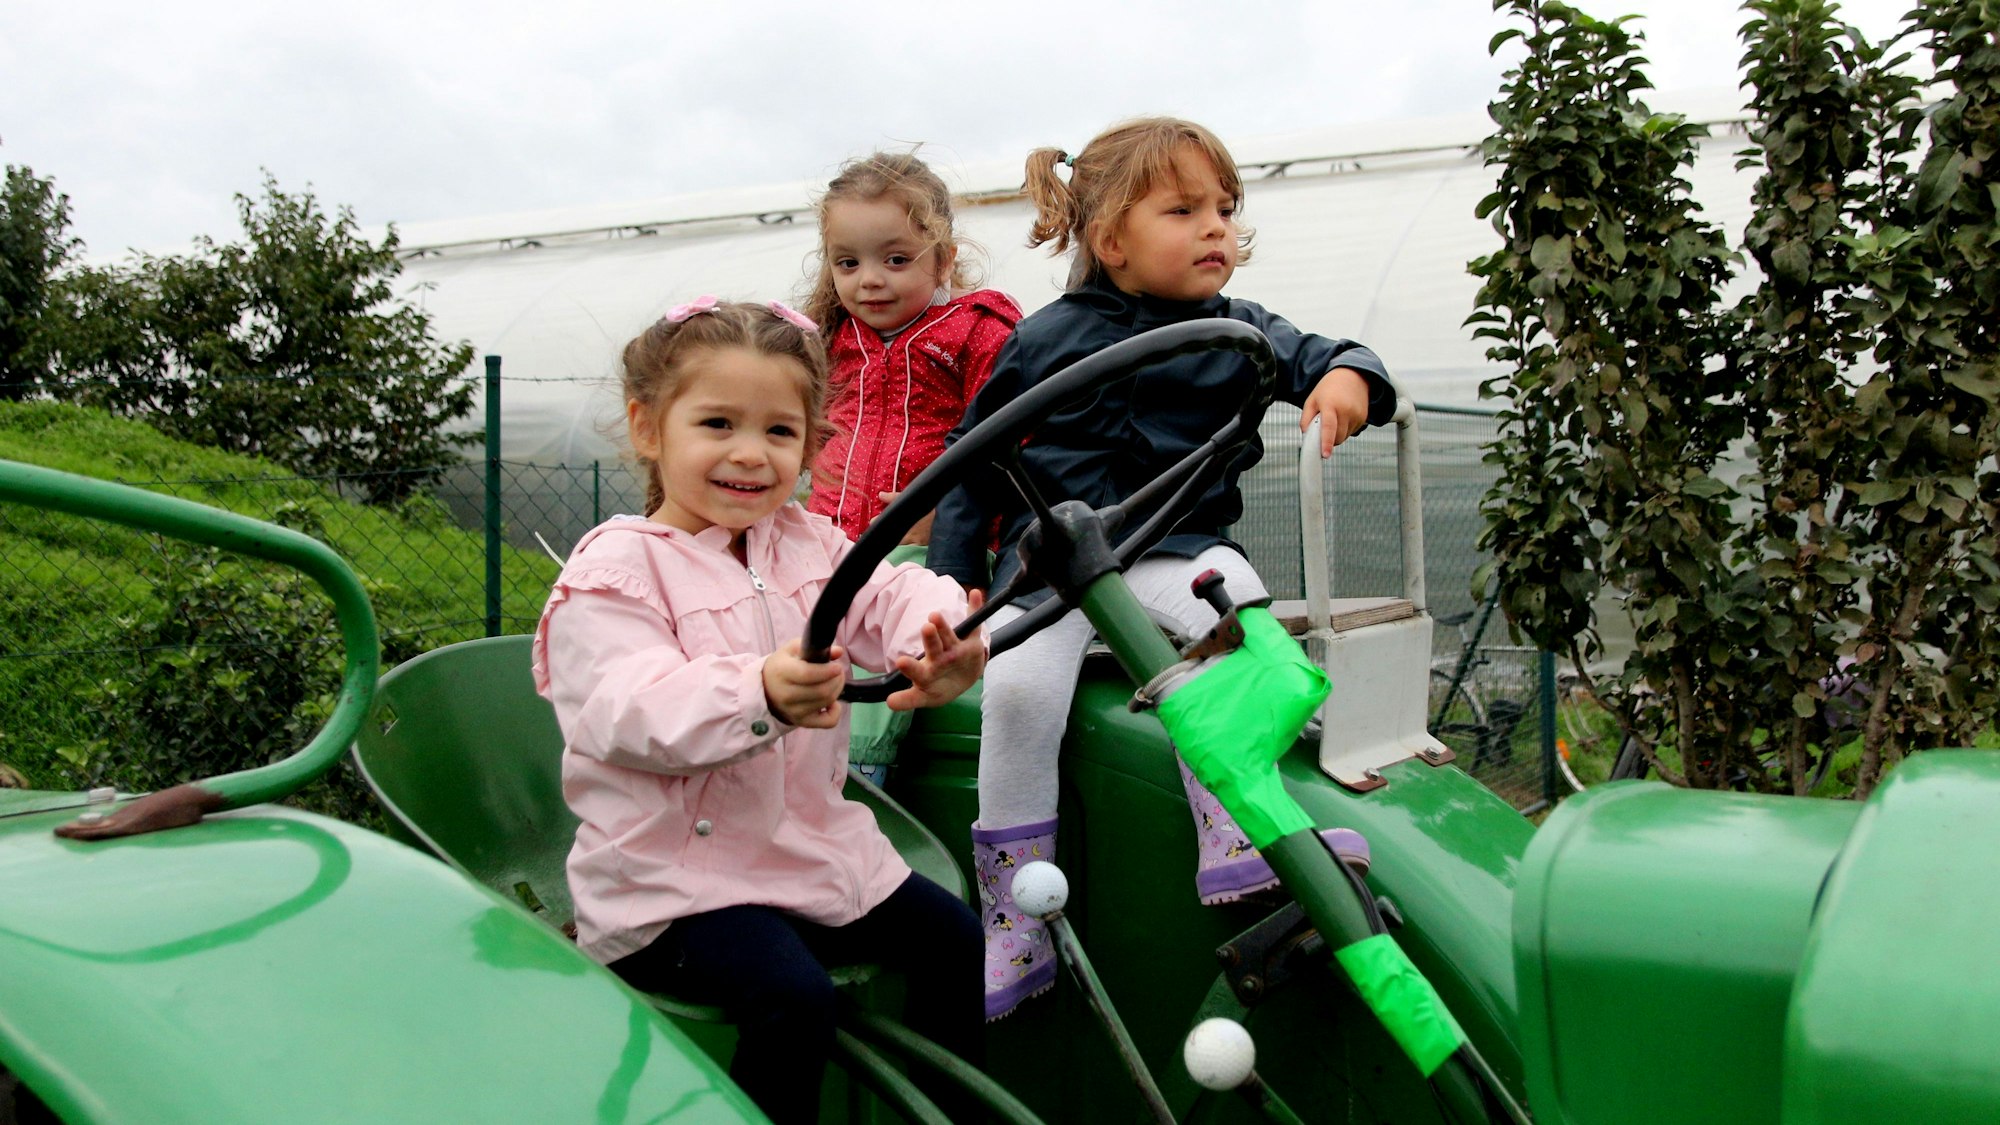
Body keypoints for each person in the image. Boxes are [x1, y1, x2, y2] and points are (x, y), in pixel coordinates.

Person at [927, 118, 1392, 1021]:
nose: (1216, 226)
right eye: (1183, 210)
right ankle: (1015, 915)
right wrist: (954, 574)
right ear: (1111, 242)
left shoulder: (1242, 330)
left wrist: (1349, 377)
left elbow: (1328, 358)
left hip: (1178, 552)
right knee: (1018, 696)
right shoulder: (1047, 338)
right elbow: (969, 457)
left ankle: (1231, 829)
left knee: (1245, 621)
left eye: (1225, 207)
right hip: (1054, 567)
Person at [533, 298, 987, 1125]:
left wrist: (943, 629)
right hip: (672, 883)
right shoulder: (618, 569)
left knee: (959, 939)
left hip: (806, 854)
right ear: (647, 427)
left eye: (780, 432)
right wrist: (759, 693)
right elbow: (625, 710)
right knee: (793, 997)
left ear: (812, 446)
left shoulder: (812, 546)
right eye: (716, 423)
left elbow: (891, 589)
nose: (750, 454)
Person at [803, 152, 1021, 545]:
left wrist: (951, 517)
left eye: (896, 259)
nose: (869, 279)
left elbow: (1012, 443)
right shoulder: (828, 340)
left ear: (944, 261)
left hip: (936, 553)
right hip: (829, 550)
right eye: (848, 263)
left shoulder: (977, 332)